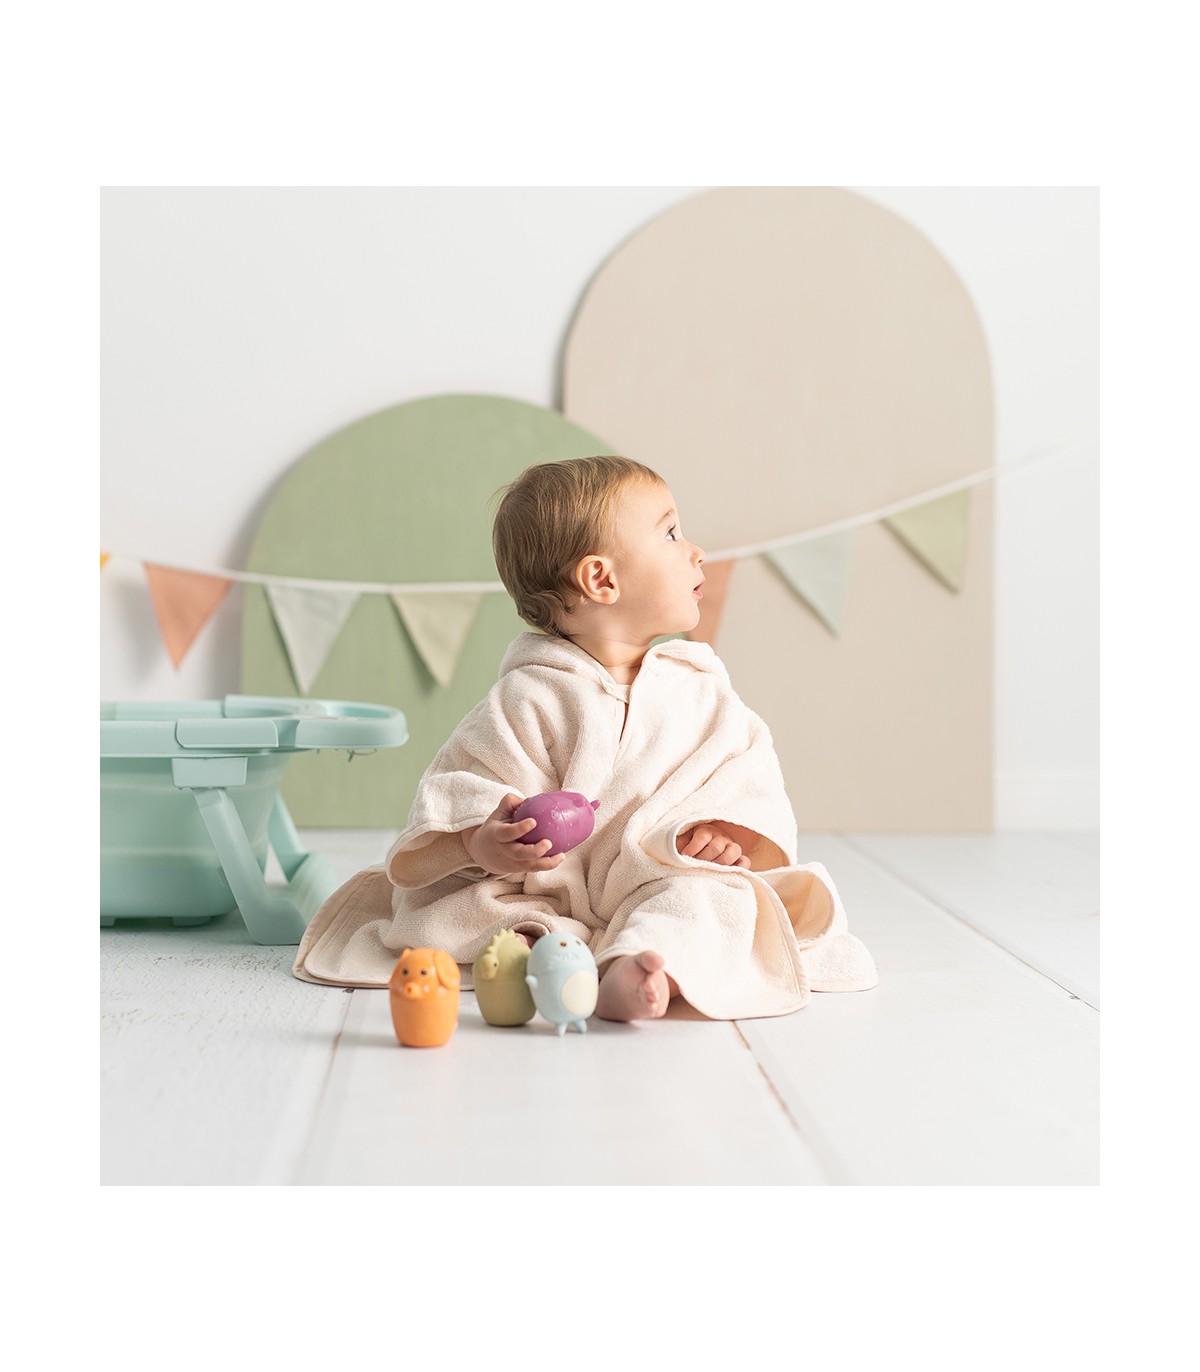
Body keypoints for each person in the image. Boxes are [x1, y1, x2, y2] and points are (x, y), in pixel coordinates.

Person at [292, 455, 877, 1021]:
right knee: (484, 918)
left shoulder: (701, 687)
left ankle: (639, 969)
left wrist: (723, 834)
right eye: (671, 533)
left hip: (658, 875)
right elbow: (465, 782)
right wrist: (483, 841)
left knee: (708, 900)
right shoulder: (531, 694)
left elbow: (745, 774)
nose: (696, 551)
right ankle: (551, 956)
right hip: (545, 893)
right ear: (601, 578)